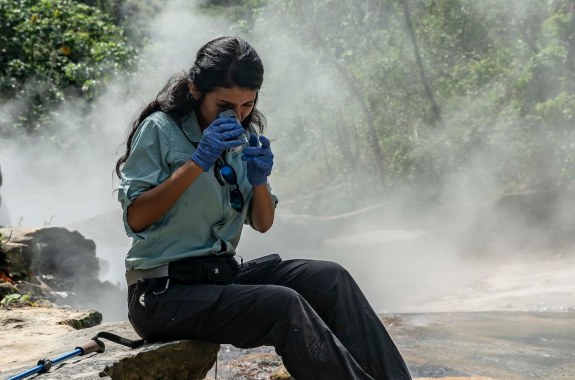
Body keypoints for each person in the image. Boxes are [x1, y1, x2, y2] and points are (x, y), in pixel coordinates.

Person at [115, 36, 412, 380]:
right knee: (282, 304)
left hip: (218, 278)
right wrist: (197, 163)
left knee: (331, 278)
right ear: (196, 90)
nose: (237, 116)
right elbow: (136, 217)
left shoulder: (243, 134)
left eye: (246, 106)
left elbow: (262, 222)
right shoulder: (160, 129)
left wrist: (259, 180)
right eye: (224, 105)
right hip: (162, 295)